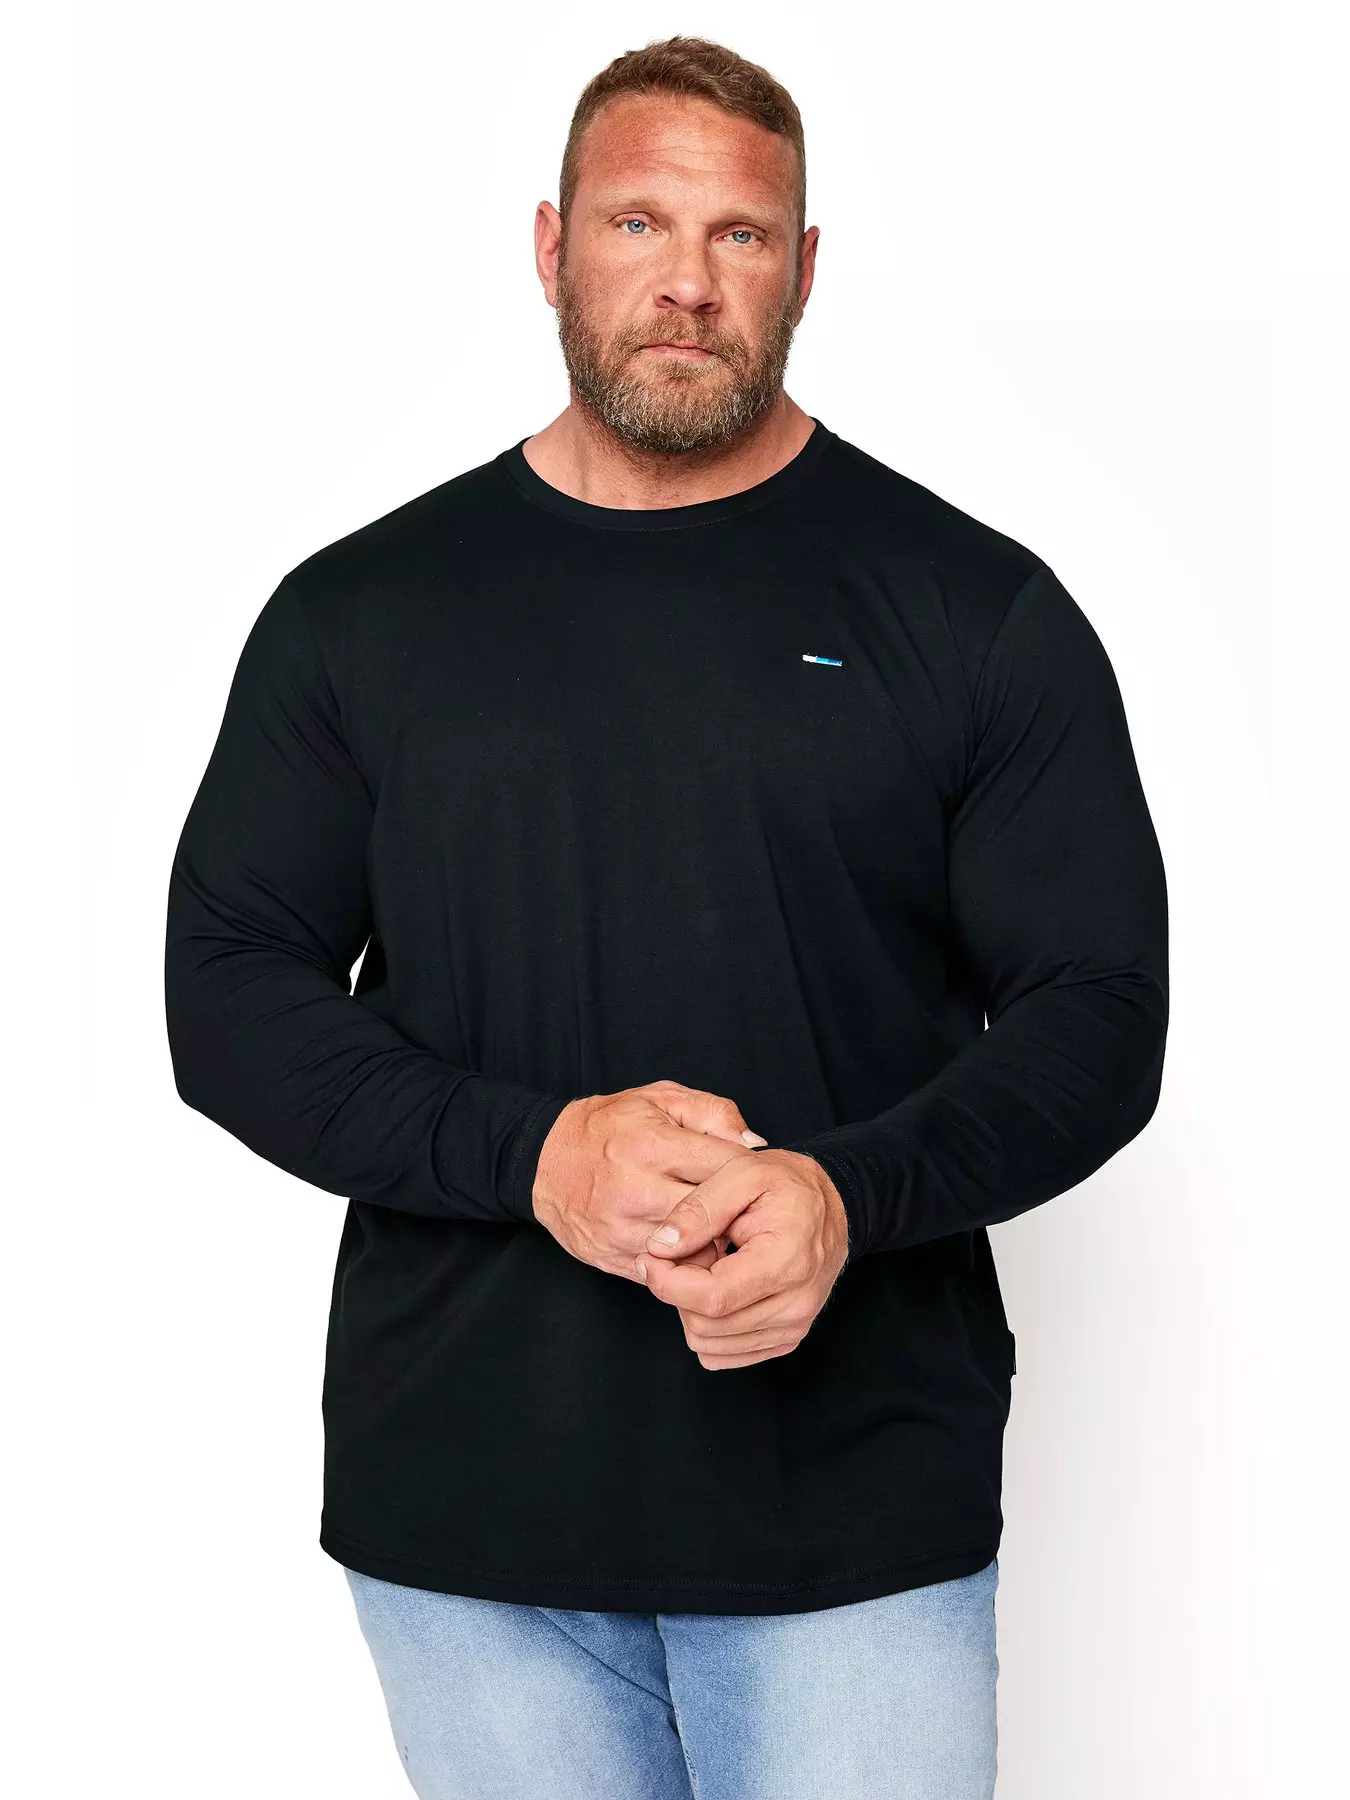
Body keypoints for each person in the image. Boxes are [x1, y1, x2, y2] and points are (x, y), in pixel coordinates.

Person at [163, 33, 1169, 1800]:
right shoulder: (361, 613)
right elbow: (228, 988)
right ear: (551, 247)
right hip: (465, 1516)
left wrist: (844, 1196)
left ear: (804, 266)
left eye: (740, 234)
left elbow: (1097, 1010)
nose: (688, 281)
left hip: (852, 1513)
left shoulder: (973, 609)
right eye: (639, 222)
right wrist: (538, 1155)